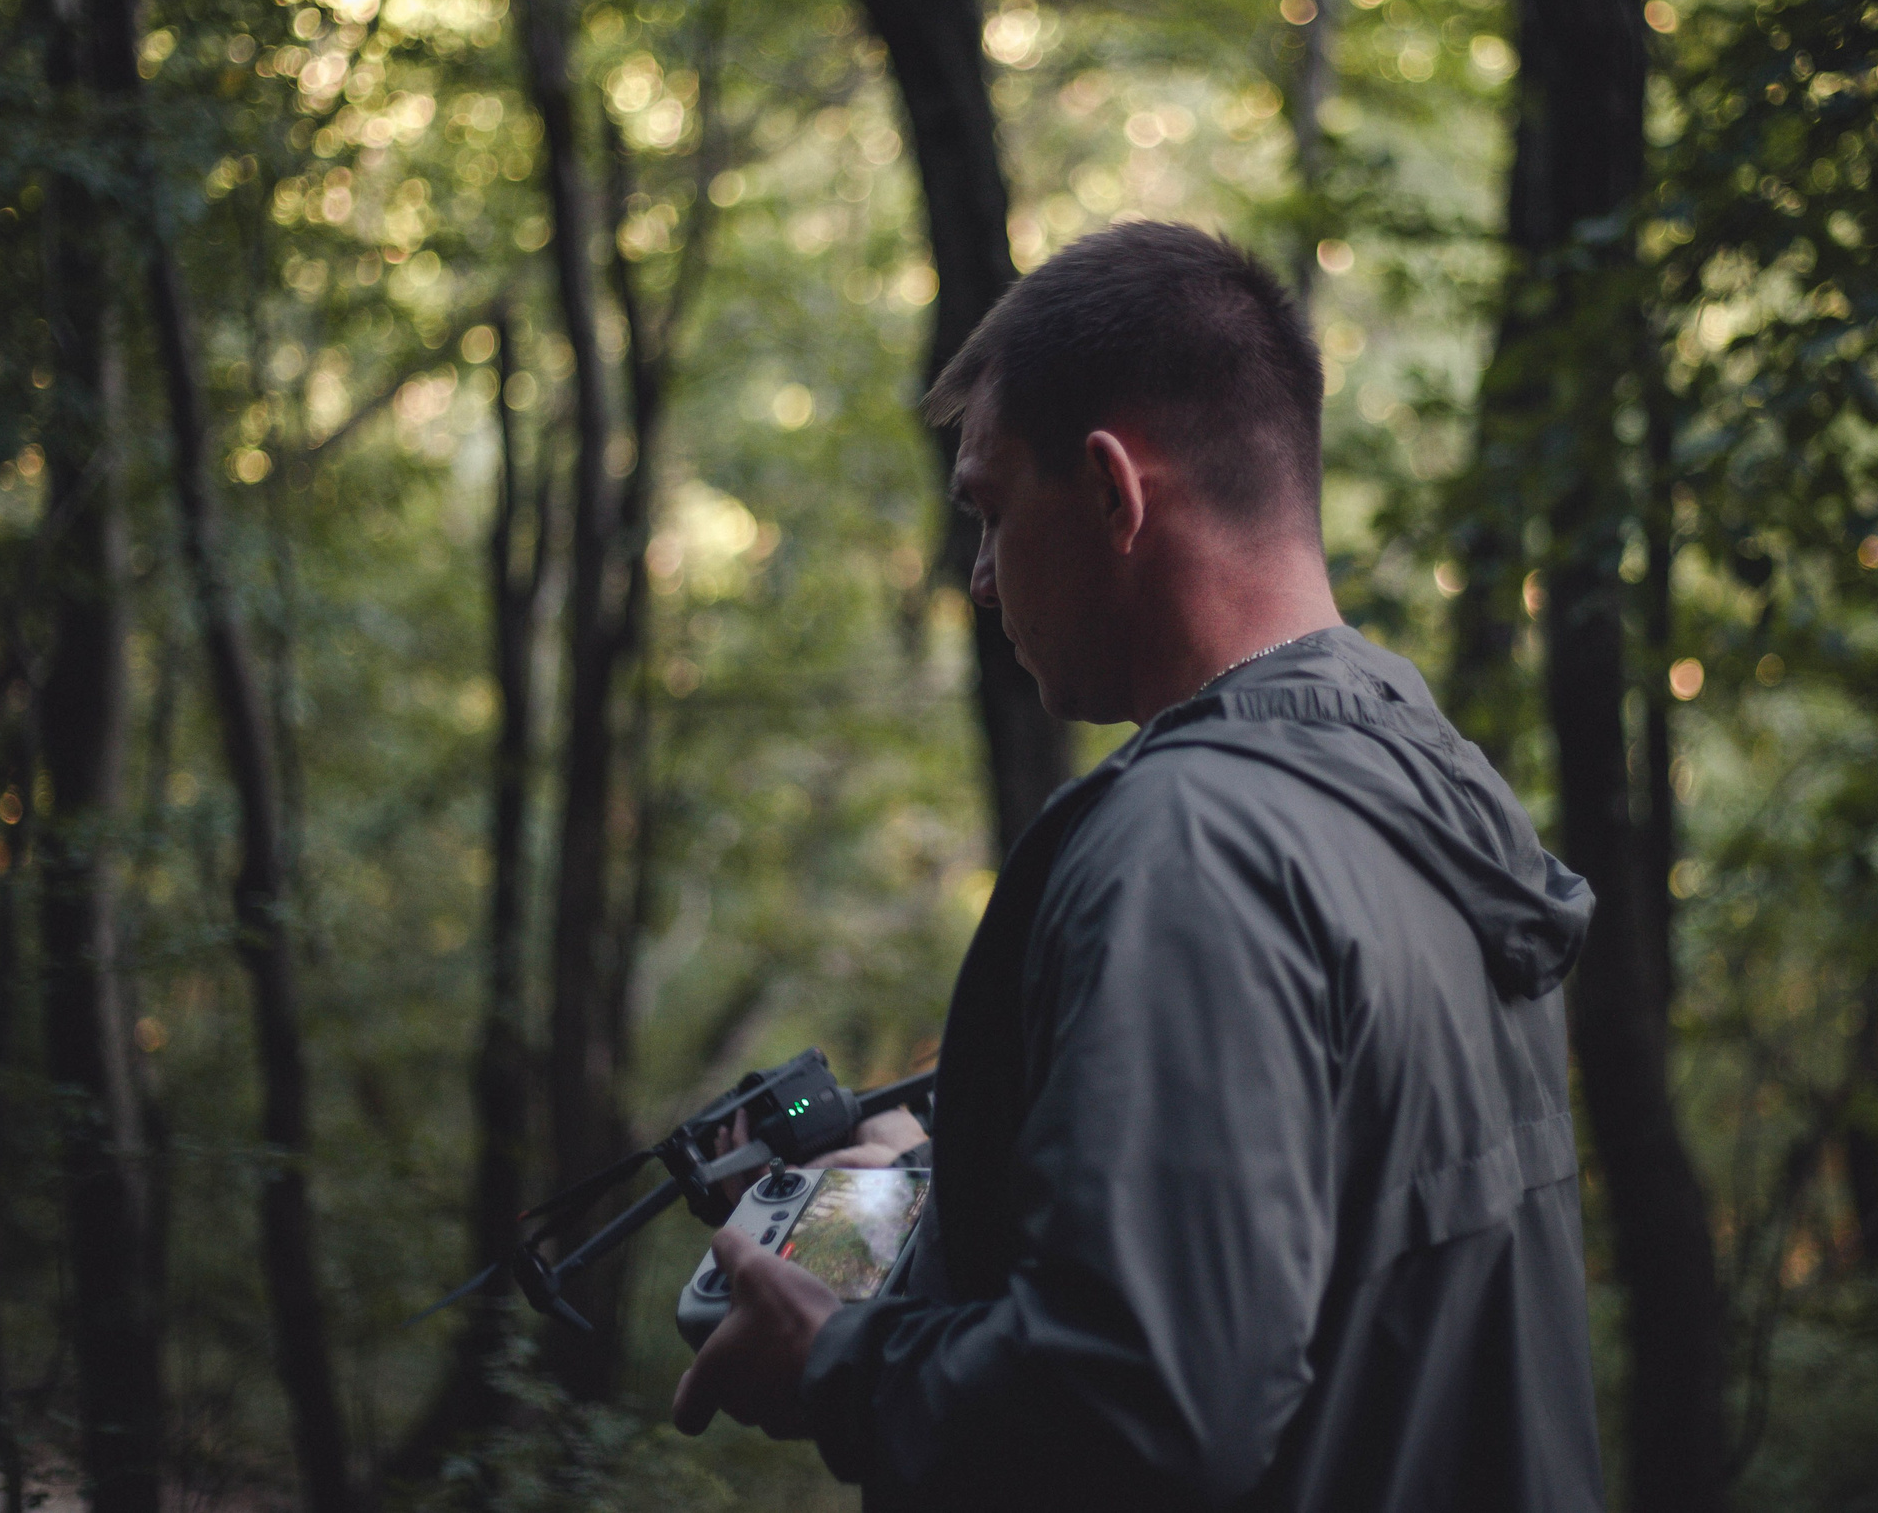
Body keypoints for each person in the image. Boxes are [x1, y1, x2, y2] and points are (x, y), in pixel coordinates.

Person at [672, 221, 1604, 1512]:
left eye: (991, 514)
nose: (982, 584)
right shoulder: (1422, 785)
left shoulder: (1194, 850)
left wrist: (839, 1361)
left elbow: (1148, 1405)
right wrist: (943, 1193)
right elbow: (1309, 1266)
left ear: (1115, 491)